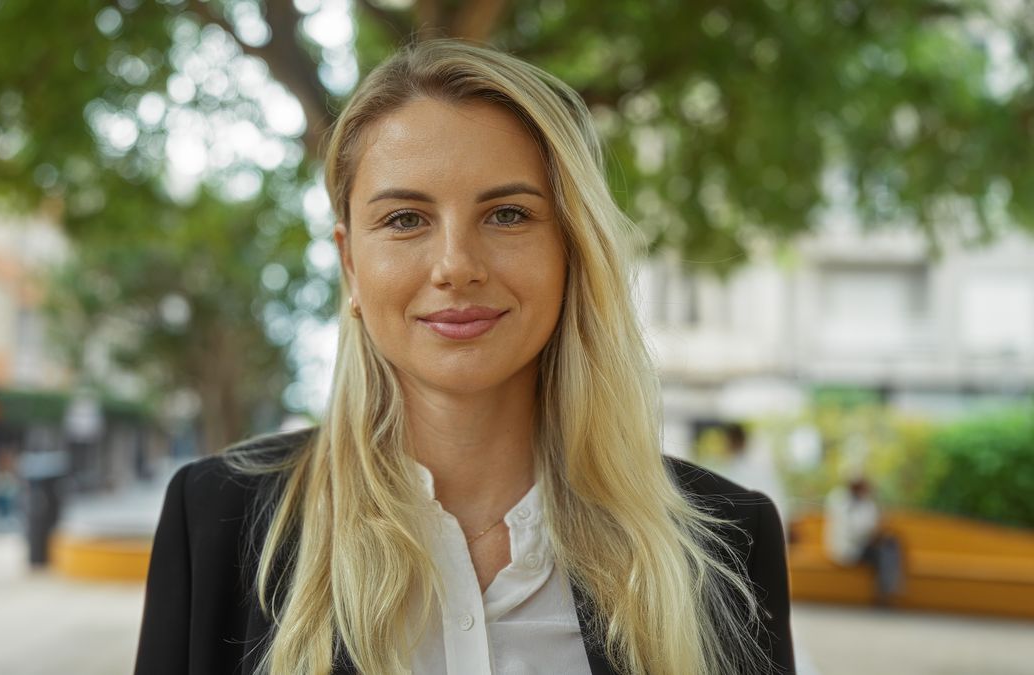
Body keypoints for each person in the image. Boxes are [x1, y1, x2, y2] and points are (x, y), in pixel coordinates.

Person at [135, 40, 794, 675]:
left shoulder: (725, 543)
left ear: (572, 248)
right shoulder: (217, 521)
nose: (456, 266)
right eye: (405, 219)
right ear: (349, 263)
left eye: (508, 214)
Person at [824, 473, 903, 605]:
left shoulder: (865, 502)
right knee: (884, 552)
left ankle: (888, 590)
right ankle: (885, 594)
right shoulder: (841, 501)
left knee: (892, 544)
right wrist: (875, 533)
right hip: (847, 549)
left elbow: (869, 525)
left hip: (860, 546)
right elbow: (854, 531)